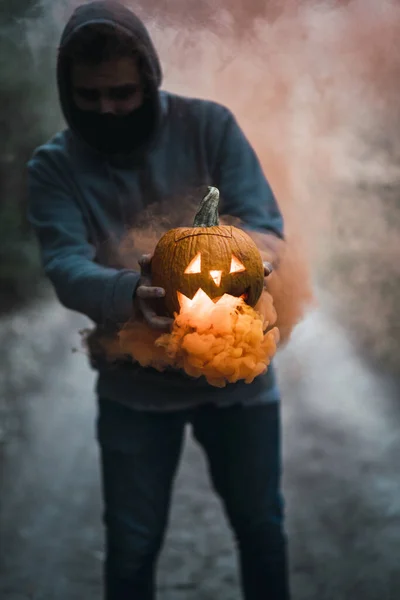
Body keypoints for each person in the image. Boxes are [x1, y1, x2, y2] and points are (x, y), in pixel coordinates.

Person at [27, 1, 290, 598]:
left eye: (121, 92)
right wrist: (130, 293)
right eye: (89, 95)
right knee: (132, 545)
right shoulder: (53, 167)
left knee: (262, 530)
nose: (107, 108)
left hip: (238, 382)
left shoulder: (210, 126)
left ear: (148, 77)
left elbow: (267, 223)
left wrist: (253, 265)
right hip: (133, 390)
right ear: (67, 90)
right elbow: (65, 266)